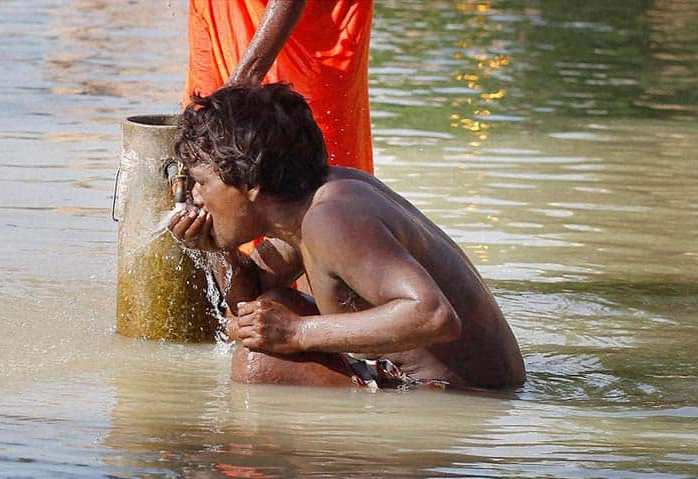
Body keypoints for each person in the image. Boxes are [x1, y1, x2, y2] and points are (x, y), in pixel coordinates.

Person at [167, 84, 526, 390]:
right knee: (273, 309)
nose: (196, 197)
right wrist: (215, 251)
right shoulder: (308, 202)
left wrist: (297, 332)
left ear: (250, 184)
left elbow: (433, 315)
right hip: (450, 389)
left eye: (201, 182)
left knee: (259, 362)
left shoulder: (331, 218)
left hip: (461, 400)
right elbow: (251, 296)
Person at [185, 0, 374, 174]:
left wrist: (232, 97)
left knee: (310, 176)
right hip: (219, 17)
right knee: (202, 160)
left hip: (305, 42)